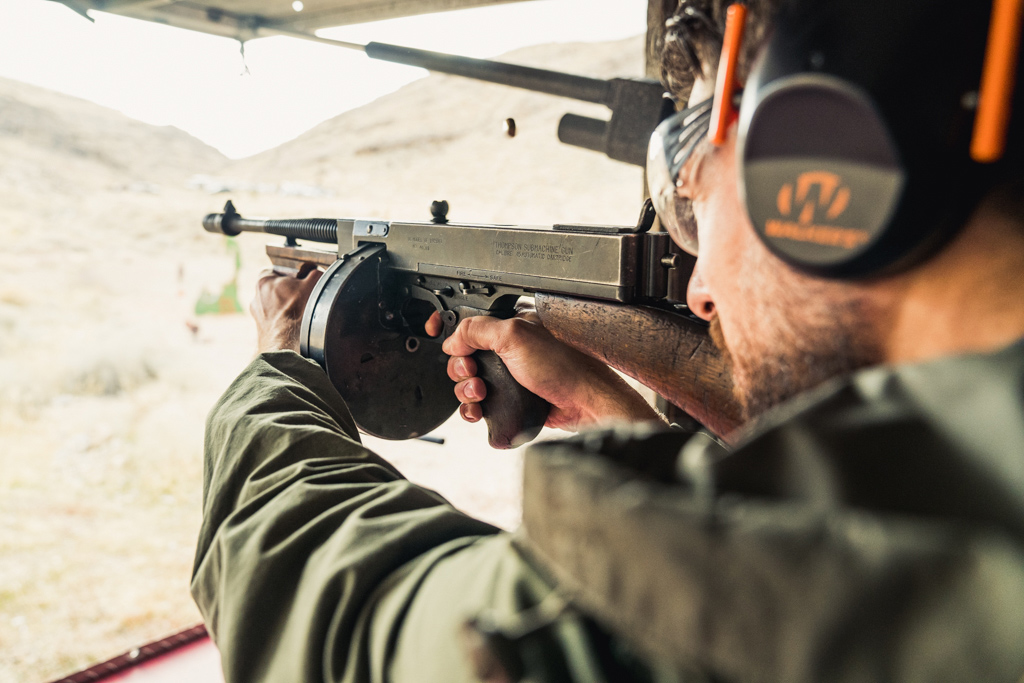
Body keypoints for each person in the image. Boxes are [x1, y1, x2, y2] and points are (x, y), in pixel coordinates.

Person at [192, 0, 1024, 681]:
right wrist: (613, 417)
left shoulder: (753, 589)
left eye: (698, 197)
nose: (699, 287)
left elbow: (334, 618)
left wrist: (276, 366)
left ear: (822, 170)